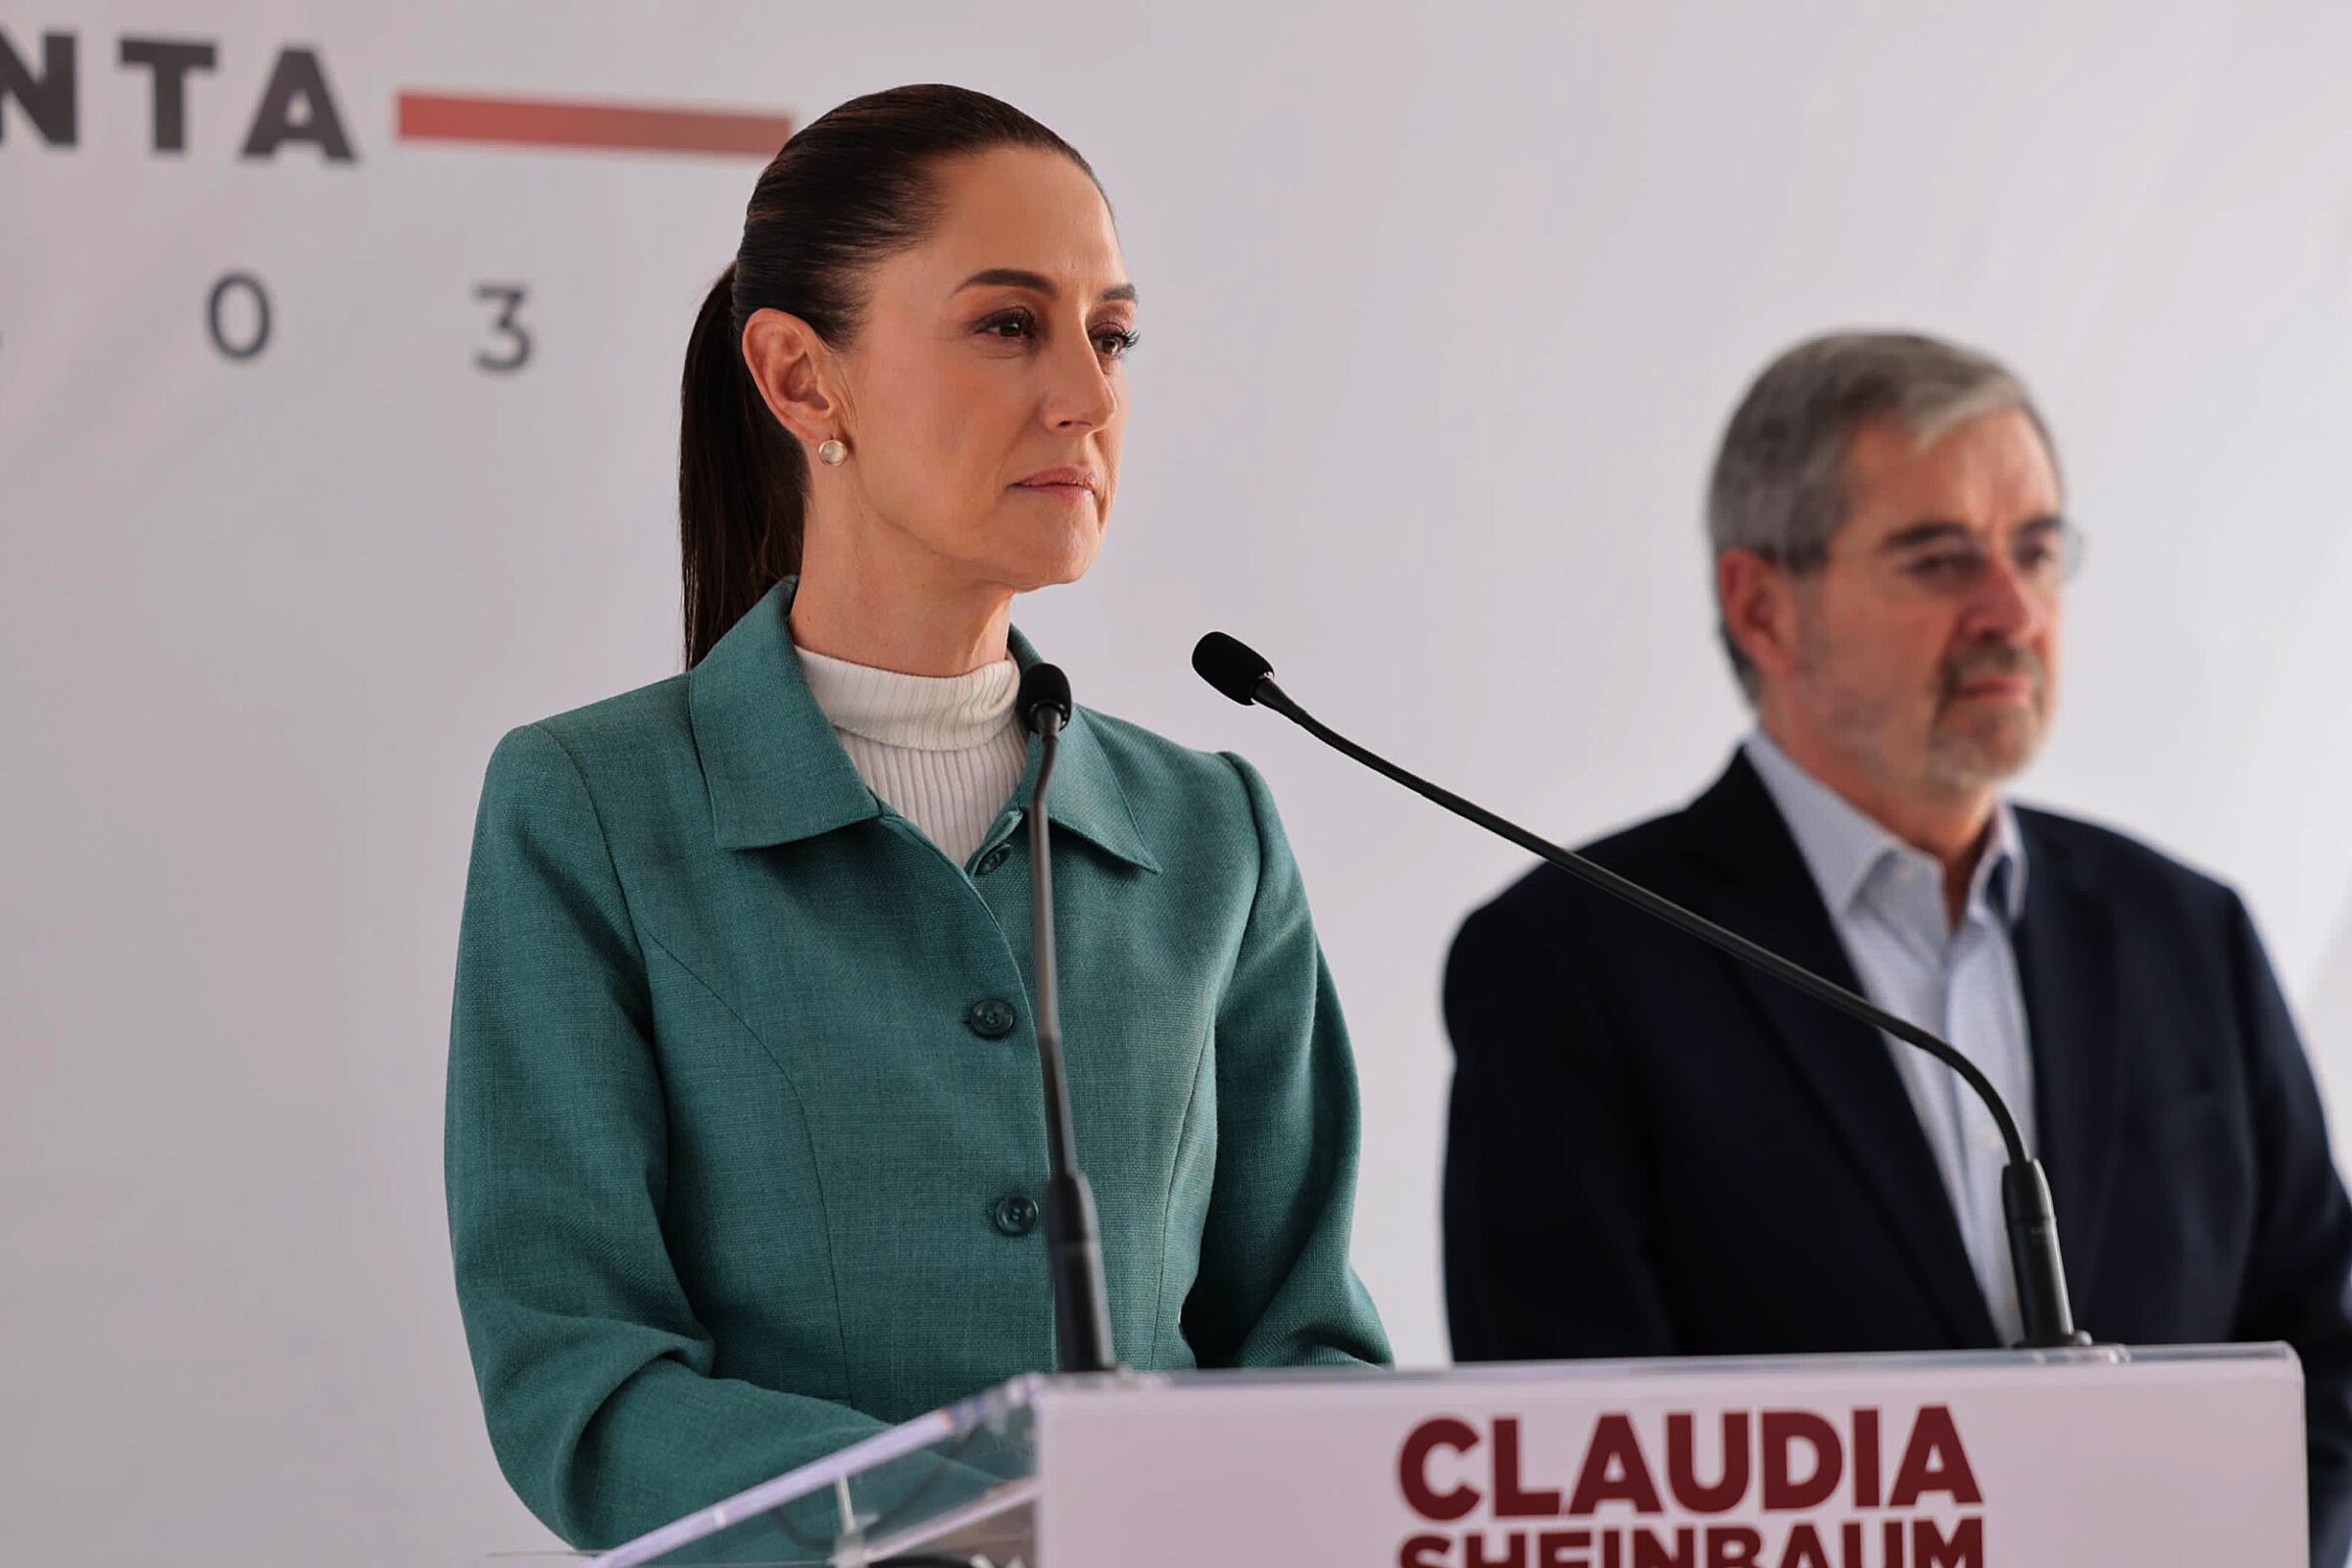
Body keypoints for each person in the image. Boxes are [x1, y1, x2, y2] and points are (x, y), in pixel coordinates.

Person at [446, 84, 1388, 1552]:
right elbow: (582, 1381)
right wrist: (977, 1521)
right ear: (803, 382)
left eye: (1112, 334)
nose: (1084, 393)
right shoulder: (591, 811)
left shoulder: (1217, 831)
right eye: (1010, 324)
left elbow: (1309, 1342)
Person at [1440, 329, 2352, 1565]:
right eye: (1939, 559)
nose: (2014, 609)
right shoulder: (1571, 960)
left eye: (2036, 549)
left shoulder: (2191, 933)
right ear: (1762, 606)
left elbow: (2326, 1355)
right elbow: (1580, 1470)